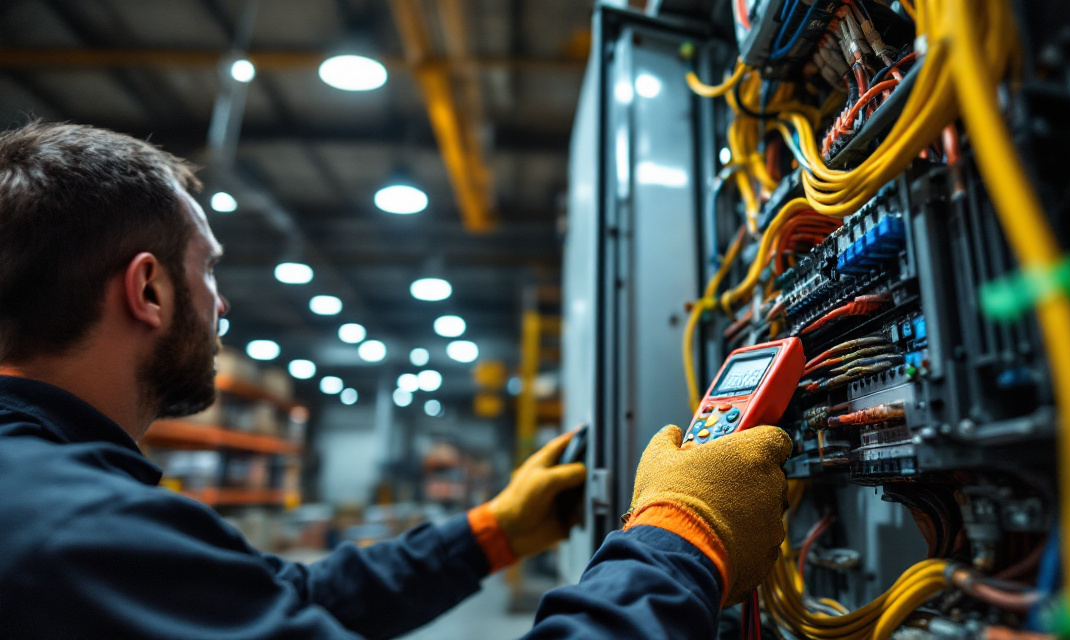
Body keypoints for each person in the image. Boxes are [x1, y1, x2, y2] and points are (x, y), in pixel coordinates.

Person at [0, 121, 792, 639]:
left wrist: (491, 533)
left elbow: (287, 605)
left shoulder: (48, 494)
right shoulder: (73, 532)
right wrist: (682, 539)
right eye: (208, 269)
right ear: (148, 291)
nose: (223, 301)